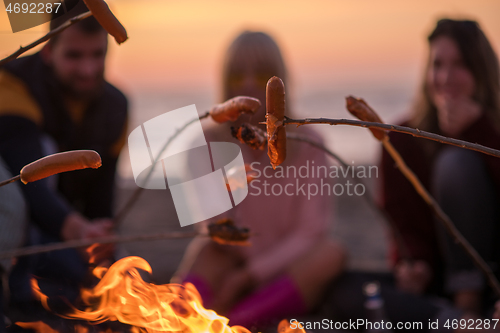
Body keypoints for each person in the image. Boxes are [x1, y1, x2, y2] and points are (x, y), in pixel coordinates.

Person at [172, 31, 346, 328]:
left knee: (331, 254)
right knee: (206, 251)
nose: (250, 83)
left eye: (263, 75)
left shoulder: (310, 141)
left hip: (288, 268)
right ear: (226, 82)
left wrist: (251, 274)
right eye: (238, 76)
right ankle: (175, 321)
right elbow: (217, 227)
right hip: (231, 260)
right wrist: (240, 148)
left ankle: (237, 321)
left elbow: (310, 231)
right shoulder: (204, 142)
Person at [0, 2, 128, 322]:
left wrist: (98, 238)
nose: (87, 69)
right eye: (74, 56)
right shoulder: (11, 84)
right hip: (16, 220)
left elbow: (102, 200)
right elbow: (28, 179)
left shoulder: (116, 106)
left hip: (60, 230)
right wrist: (78, 229)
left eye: (97, 55)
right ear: (47, 52)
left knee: (97, 290)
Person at [380, 19, 500, 317]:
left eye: (460, 64)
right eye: (437, 64)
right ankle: (463, 318)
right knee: (352, 294)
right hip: (439, 284)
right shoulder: (403, 138)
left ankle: (467, 310)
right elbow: (401, 223)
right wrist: (412, 263)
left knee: (456, 164)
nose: (446, 77)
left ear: (481, 71)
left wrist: (479, 130)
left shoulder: (493, 130)